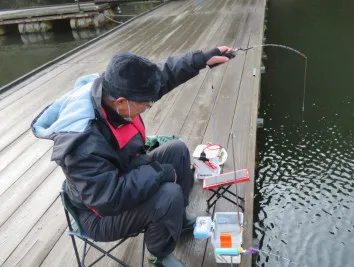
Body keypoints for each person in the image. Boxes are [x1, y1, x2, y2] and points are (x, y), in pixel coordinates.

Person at [31, 46, 232, 267]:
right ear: (121, 102)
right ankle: (160, 255)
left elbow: (161, 77)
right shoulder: (84, 146)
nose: (149, 106)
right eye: (146, 105)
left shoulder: (113, 91)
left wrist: (201, 59)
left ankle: (179, 221)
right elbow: (109, 198)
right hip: (99, 213)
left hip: (123, 171)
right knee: (169, 194)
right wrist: (157, 173)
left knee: (178, 150)